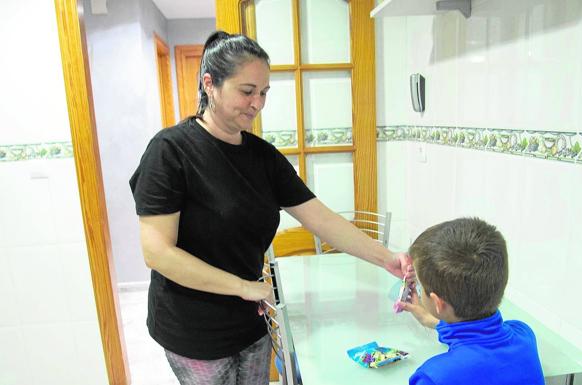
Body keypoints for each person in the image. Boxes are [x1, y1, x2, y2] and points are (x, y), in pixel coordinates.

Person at [129, 30, 412, 385]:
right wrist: (245, 287)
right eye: (247, 91)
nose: (258, 103)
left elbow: (320, 218)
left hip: (250, 319)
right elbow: (157, 252)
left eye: (263, 93)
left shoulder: (262, 157)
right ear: (210, 83)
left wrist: (386, 258)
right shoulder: (170, 151)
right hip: (193, 327)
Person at [399, 217, 545, 385]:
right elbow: (480, 336)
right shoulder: (524, 336)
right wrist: (431, 320)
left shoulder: (433, 377)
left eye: (419, 285)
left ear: (438, 303)